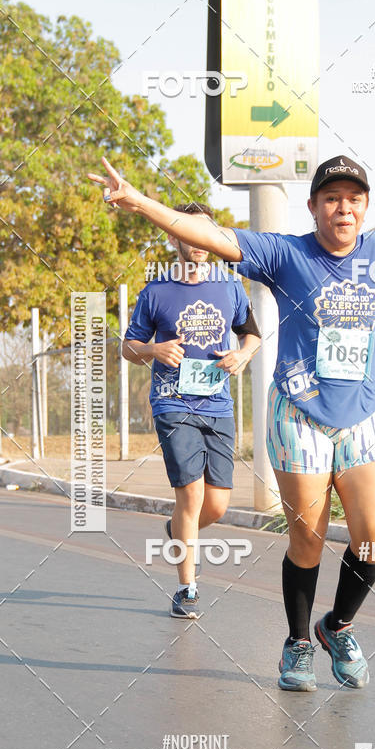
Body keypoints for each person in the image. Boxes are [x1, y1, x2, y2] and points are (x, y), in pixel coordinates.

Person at [89, 137, 375, 687]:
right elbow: (213, 236)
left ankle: (337, 625)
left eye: (354, 198)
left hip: (361, 417)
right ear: (313, 207)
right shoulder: (287, 254)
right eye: (332, 198)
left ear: (365, 208)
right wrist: (142, 202)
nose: (344, 208)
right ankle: (295, 643)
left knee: (372, 538)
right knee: (308, 538)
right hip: (299, 415)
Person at [121, 202, 261, 619]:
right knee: (191, 494)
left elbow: (251, 335)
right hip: (171, 403)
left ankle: (178, 531)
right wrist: (153, 349)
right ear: (174, 236)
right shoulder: (157, 291)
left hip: (218, 403)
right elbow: (127, 347)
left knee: (215, 506)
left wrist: (243, 355)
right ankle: (187, 589)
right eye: (189, 233)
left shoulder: (230, 286)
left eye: (205, 234)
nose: (199, 244)